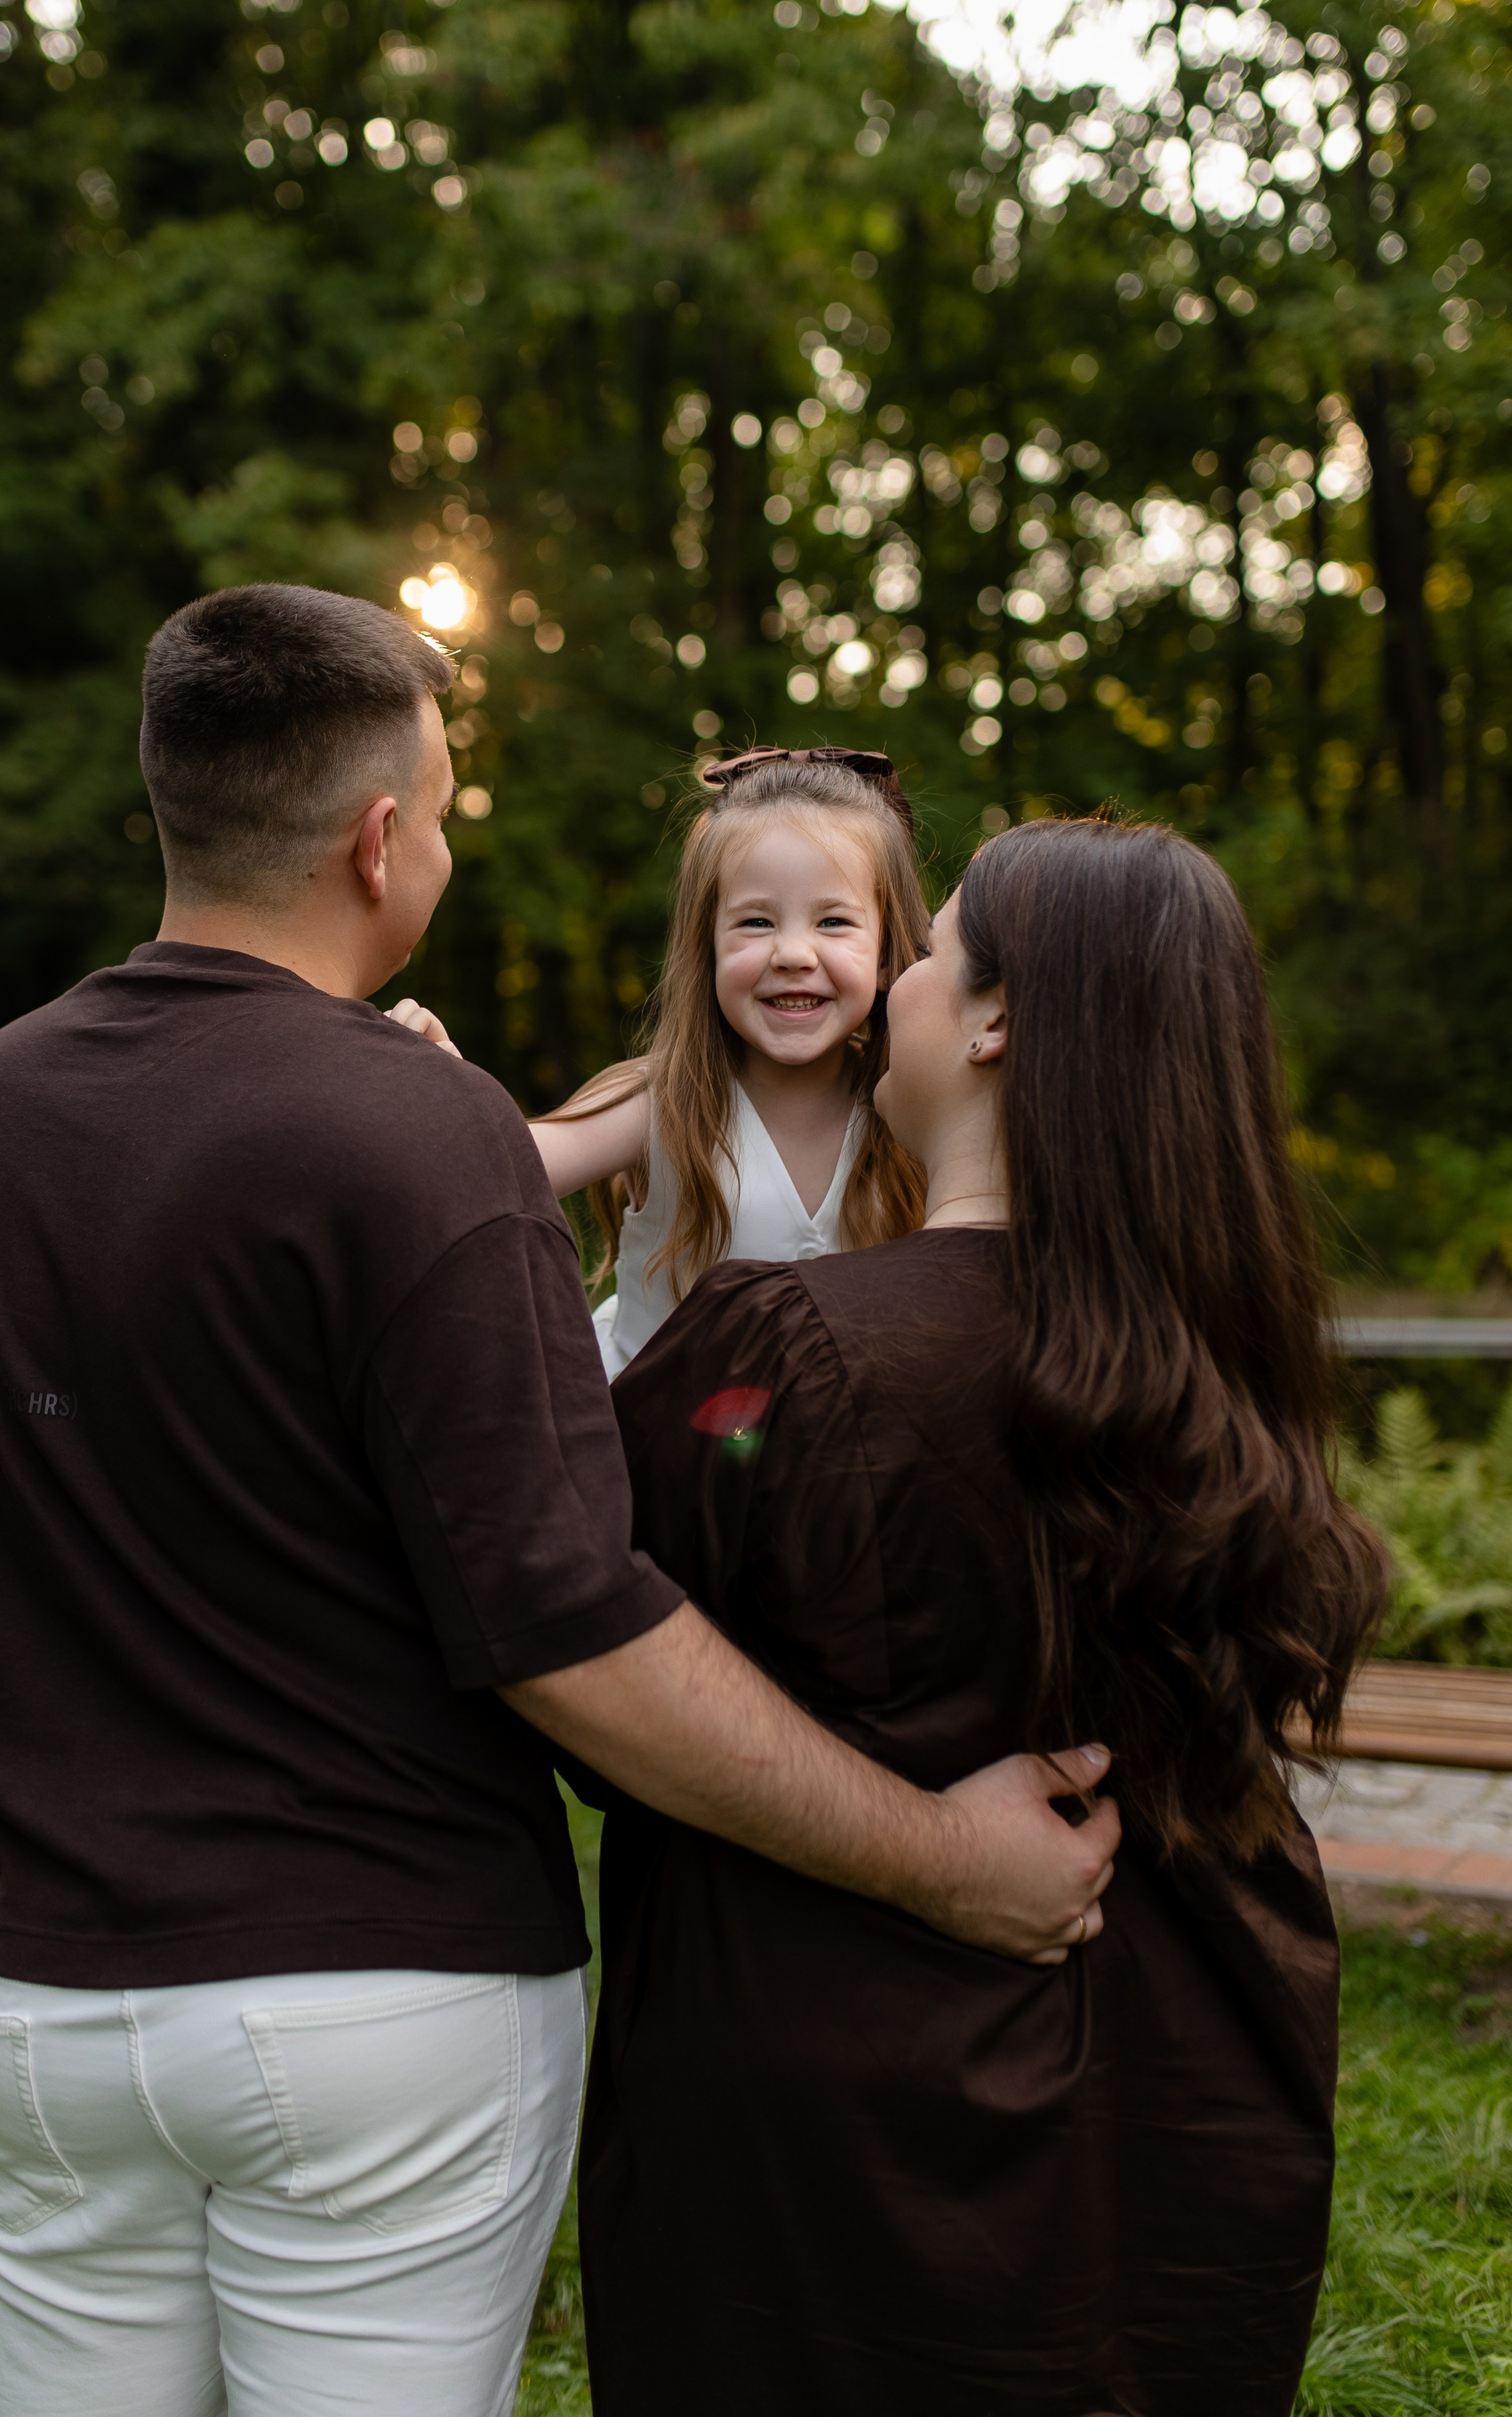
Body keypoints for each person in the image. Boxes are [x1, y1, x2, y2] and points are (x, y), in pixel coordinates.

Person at [0, 584, 1120, 2417]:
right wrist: (946, 1859)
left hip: (36, 2006)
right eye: (449, 805)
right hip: (374, 1999)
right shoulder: (414, 1127)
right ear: (380, 837)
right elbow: (563, 1617)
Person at [579, 815, 1389, 2417]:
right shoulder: (1227, 1370)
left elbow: (582, 1641)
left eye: (931, 946)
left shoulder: (779, 1360)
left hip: (844, 2128)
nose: (899, 985)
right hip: (1192, 2098)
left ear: (1001, 1018)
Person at [395, 746, 929, 1374]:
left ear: (890, 951)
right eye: (756, 921)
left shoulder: (915, 1116)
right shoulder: (662, 1105)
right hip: (649, 1457)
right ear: (704, 950)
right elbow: (491, 1165)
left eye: (834, 922)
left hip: (832, 1466)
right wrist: (439, 1078)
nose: (792, 953)